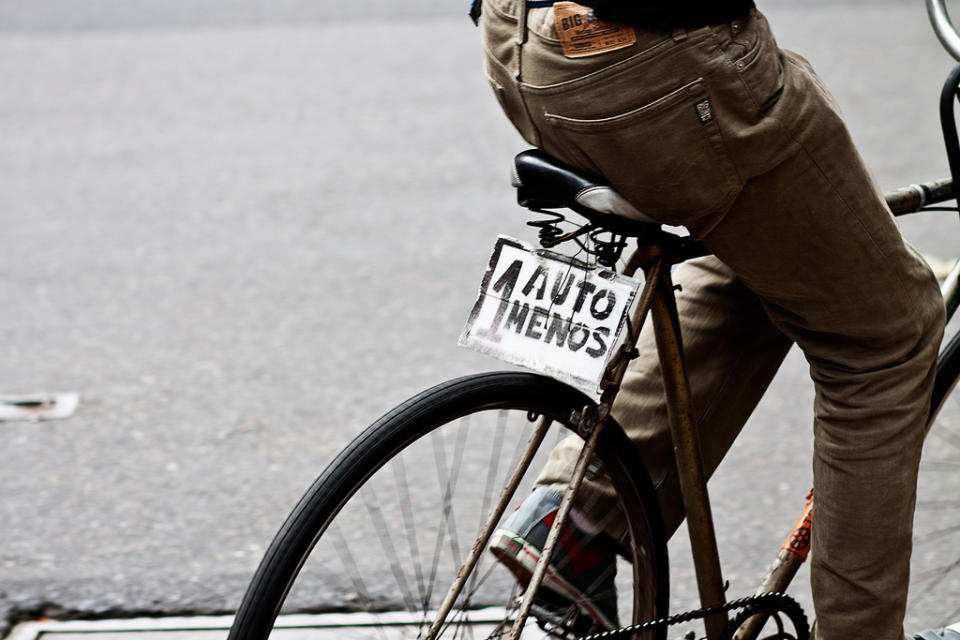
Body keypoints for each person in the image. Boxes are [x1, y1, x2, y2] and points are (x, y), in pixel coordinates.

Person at [473, 0, 953, 638]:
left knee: (776, 242)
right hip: (650, 59)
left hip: (521, 46)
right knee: (885, 335)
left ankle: (577, 524)